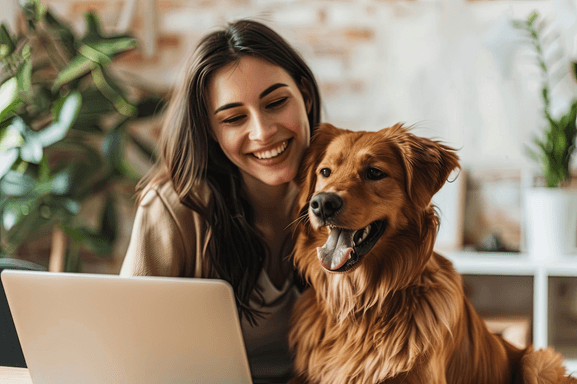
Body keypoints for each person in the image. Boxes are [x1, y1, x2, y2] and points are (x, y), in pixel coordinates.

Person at [120, 19, 322, 383]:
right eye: (233, 119)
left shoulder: (342, 194)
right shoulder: (175, 208)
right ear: (210, 131)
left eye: (276, 103)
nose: (262, 132)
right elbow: (129, 351)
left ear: (305, 95)